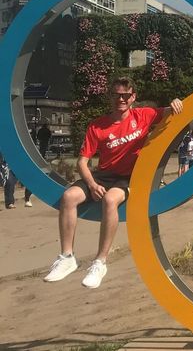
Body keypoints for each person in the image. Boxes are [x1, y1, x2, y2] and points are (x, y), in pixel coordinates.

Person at [42, 77, 183, 288]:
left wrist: (176, 102)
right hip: (102, 176)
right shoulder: (98, 126)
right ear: (110, 97)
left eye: (126, 95)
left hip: (127, 178)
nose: (121, 99)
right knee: (69, 196)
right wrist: (91, 185)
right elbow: (82, 162)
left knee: (110, 200)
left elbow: (170, 110)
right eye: (117, 95)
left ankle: (100, 262)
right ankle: (67, 257)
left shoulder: (144, 115)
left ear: (133, 97)